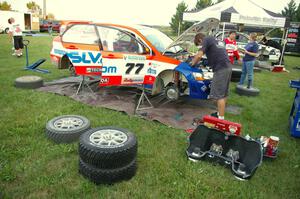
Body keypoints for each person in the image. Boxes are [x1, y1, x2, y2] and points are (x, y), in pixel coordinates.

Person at [191, 33, 232, 120]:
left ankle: (220, 119)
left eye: (199, 45)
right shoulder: (214, 39)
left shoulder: (206, 39)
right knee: (223, 93)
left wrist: (192, 64)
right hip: (227, 67)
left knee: (218, 95)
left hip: (221, 69)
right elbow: (215, 54)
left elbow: (199, 55)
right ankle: (219, 114)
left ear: (200, 40)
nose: (201, 46)